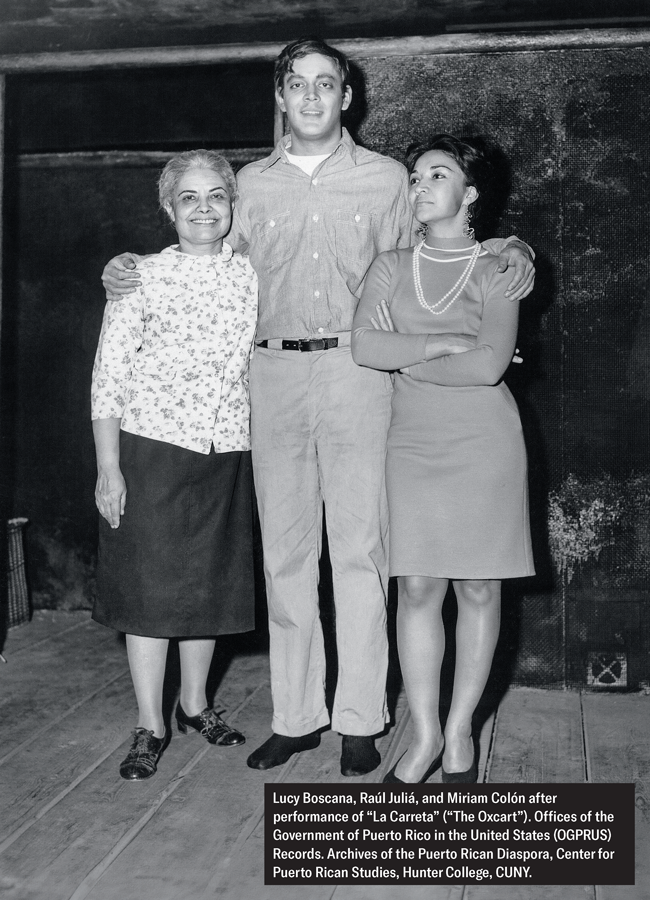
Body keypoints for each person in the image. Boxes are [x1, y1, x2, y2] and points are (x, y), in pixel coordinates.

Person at [100, 38, 535, 778]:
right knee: (286, 554)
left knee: (362, 549)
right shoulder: (248, 185)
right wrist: (127, 268)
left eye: (325, 83)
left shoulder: (388, 179)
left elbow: (441, 239)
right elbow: (202, 251)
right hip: (269, 373)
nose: (310, 97)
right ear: (279, 97)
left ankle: (360, 719)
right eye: (296, 84)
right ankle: (297, 718)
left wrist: (512, 245)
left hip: (358, 371)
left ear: (346, 97)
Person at [351, 134, 535, 784]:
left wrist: (408, 354)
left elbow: (488, 367)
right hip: (412, 442)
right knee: (418, 587)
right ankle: (424, 735)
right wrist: (438, 345)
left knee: (480, 588)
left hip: (485, 444)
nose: (420, 186)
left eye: (438, 175)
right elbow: (365, 347)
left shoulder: (499, 267)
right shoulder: (390, 265)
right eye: (415, 176)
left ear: (471, 192)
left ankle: (461, 733)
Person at [92, 150, 258, 780]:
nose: (204, 208)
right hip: (151, 448)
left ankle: (195, 705)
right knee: (150, 589)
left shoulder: (252, 275)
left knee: (207, 584)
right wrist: (109, 468)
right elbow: (108, 376)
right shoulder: (140, 276)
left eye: (216, 195)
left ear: (233, 205)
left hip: (227, 447)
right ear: (169, 208)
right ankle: (149, 723)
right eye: (189, 197)